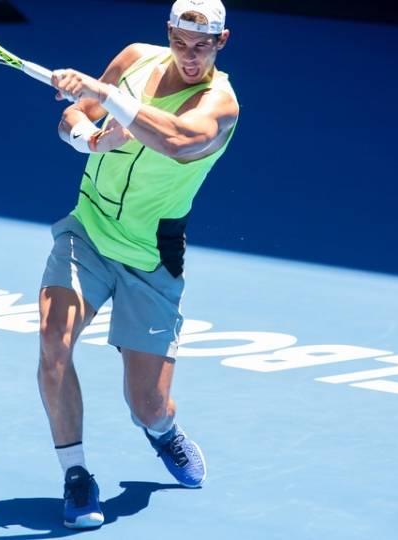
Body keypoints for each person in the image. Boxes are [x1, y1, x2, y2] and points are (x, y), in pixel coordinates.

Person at [38, 0, 239, 529]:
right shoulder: (134, 60)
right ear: (168, 33)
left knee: (148, 404)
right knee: (53, 346)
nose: (190, 56)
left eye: (203, 46)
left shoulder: (221, 104)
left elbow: (177, 140)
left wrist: (104, 97)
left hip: (152, 257)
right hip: (88, 233)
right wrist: (83, 135)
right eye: (181, 42)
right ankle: (76, 475)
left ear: (222, 42)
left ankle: (163, 433)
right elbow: (73, 116)